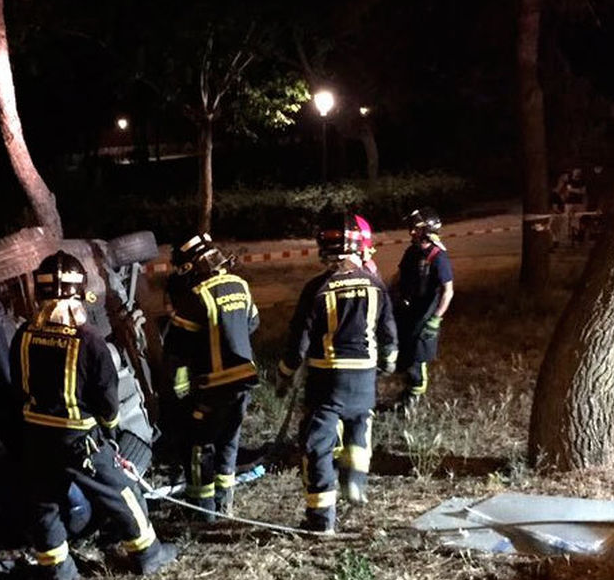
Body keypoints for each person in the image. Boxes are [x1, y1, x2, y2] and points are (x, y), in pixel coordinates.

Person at [11, 250, 176, 580]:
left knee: (44, 504)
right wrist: (111, 432)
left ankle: (59, 575)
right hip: (80, 441)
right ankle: (149, 554)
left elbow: (17, 386)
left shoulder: (23, 335)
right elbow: (107, 400)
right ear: (79, 295)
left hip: (35, 438)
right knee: (122, 491)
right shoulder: (89, 342)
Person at [276, 213, 397, 532]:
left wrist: (285, 373)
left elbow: (298, 340)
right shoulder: (376, 284)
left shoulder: (317, 288)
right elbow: (388, 331)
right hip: (365, 379)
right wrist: (389, 361)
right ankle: (355, 478)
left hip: (327, 381)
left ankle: (320, 520)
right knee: (359, 426)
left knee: (317, 445)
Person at [164, 233, 260, 521]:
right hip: (244, 383)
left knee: (198, 446)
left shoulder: (197, 296)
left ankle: (201, 510)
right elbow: (253, 323)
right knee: (229, 441)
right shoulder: (240, 285)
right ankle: (224, 504)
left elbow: (177, 348)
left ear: (191, 267)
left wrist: (179, 391)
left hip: (211, 388)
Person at [393, 208, 454, 411]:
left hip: (425, 315)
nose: (411, 232)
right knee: (404, 352)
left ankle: (414, 397)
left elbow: (448, 291)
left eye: (416, 229)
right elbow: (399, 276)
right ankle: (407, 390)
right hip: (407, 311)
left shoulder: (438, 256)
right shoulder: (412, 252)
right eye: (411, 228)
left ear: (428, 229)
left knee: (418, 358)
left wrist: (435, 319)